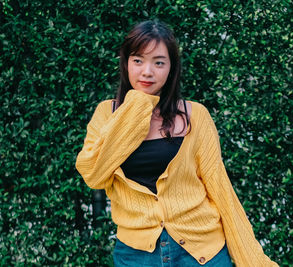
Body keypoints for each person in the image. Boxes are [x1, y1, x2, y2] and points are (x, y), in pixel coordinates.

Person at [75, 20, 278, 267]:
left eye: (158, 62)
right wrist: (139, 104)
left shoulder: (196, 116)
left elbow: (221, 190)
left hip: (202, 253)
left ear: (171, 68)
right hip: (136, 256)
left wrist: (252, 260)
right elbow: (94, 174)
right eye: (138, 60)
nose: (147, 71)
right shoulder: (107, 114)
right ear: (126, 63)